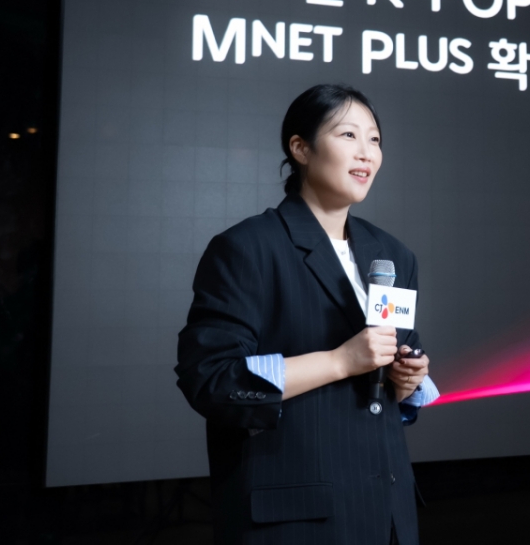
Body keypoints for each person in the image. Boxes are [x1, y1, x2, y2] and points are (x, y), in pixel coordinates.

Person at [176, 84, 437, 544]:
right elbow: (212, 379)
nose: (366, 152)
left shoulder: (393, 255)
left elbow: (387, 386)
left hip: (388, 517)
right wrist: (339, 361)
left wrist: (406, 379)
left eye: (375, 139)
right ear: (300, 148)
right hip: (295, 521)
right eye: (348, 135)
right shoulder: (247, 248)